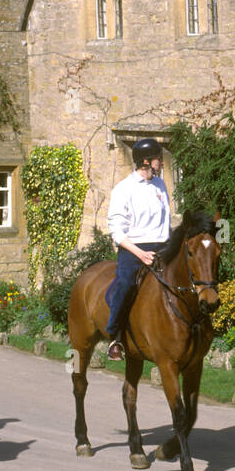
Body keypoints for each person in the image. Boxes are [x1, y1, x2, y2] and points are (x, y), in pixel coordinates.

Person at [103, 138, 171, 360]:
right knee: (125, 283)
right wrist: (140, 254)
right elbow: (117, 231)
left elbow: (166, 221)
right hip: (133, 248)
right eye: (158, 159)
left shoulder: (161, 185)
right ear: (145, 162)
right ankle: (114, 336)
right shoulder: (123, 189)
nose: (161, 162)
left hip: (161, 246)